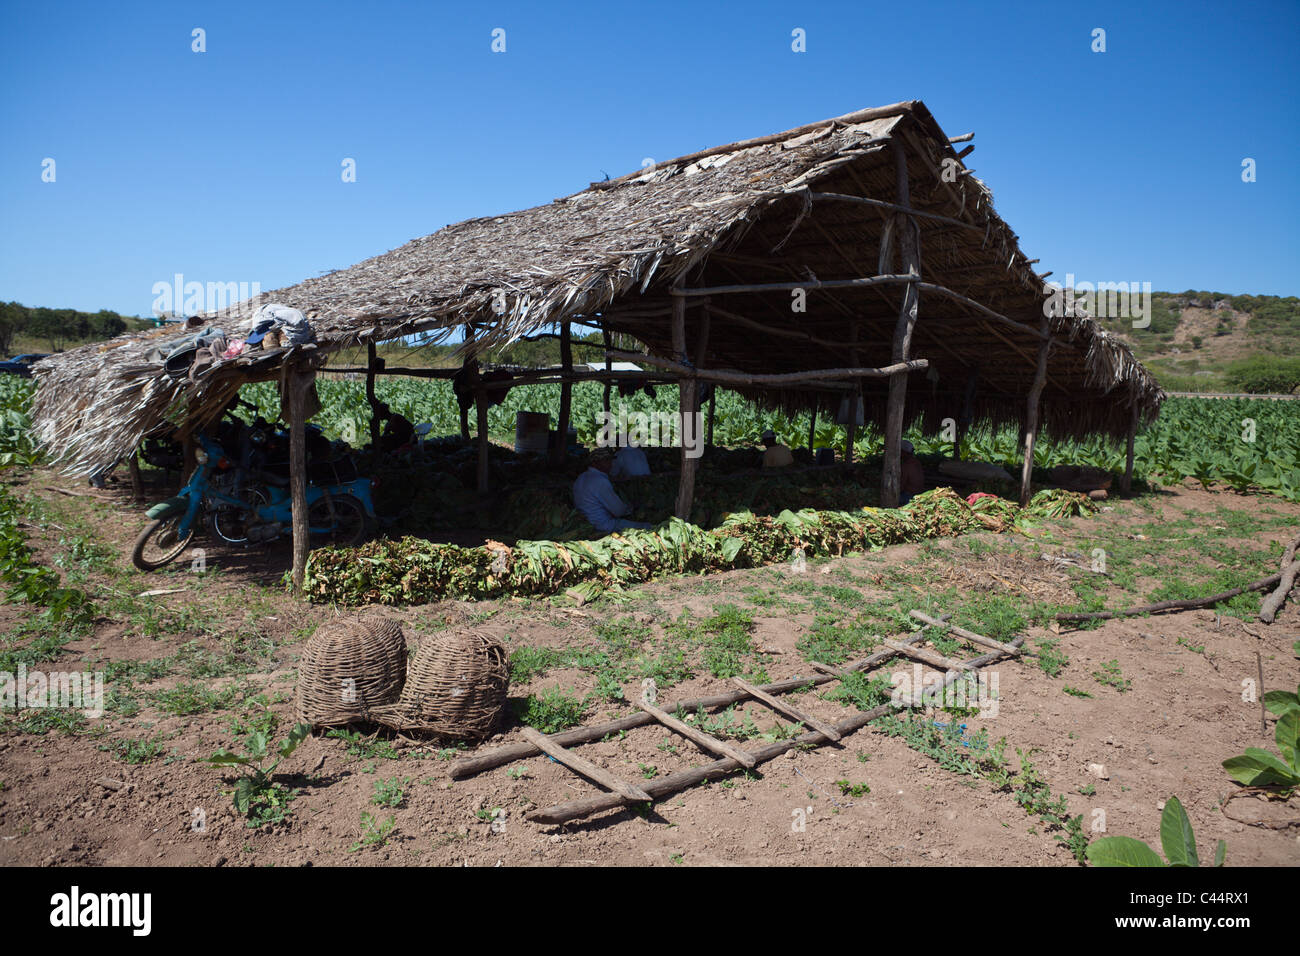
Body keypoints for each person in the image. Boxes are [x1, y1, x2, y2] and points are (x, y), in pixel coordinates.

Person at [573, 448, 651, 533]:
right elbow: (619, 511)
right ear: (595, 463)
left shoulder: (581, 477)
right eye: (606, 461)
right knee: (647, 526)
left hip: (587, 522)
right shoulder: (600, 481)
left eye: (610, 460)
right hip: (604, 525)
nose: (610, 464)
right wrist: (630, 509)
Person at [900, 439, 926, 504]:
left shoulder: (906, 464)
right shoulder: (917, 462)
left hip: (909, 495)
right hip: (920, 493)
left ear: (903, 452)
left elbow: (902, 484)